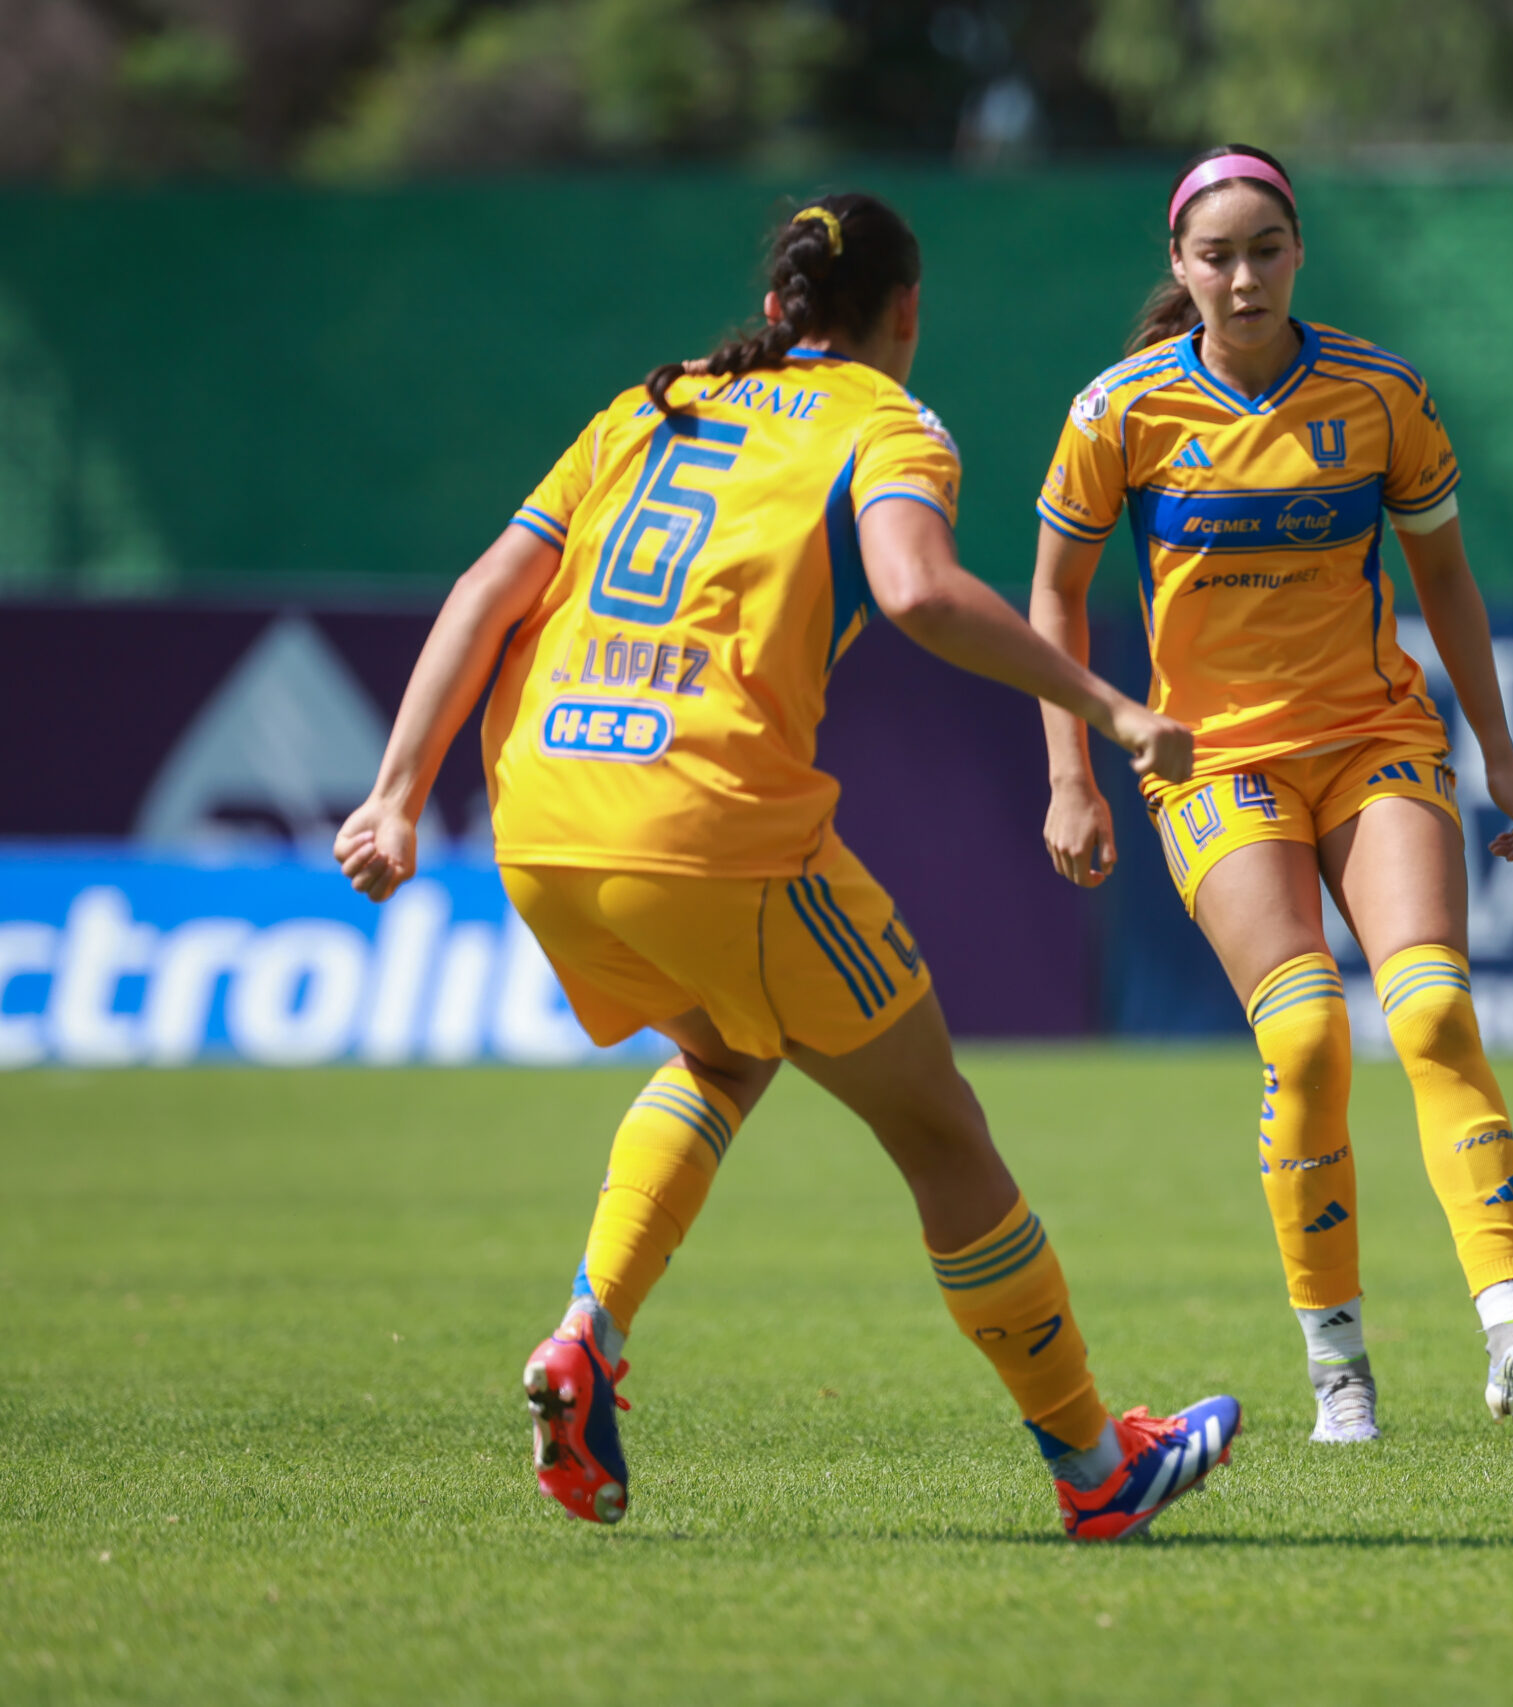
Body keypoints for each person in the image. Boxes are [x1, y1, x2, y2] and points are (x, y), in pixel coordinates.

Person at [332, 193, 1238, 1540]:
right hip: (710, 830)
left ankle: (590, 1333)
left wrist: (398, 792)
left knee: (724, 1052)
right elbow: (920, 590)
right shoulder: (885, 420)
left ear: (774, 309)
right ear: (905, 318)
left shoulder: (646, 406)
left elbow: (485, 591)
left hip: (542, 818)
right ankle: (1096, 1463)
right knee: (939, 1130)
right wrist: (1108, 708)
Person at [1028, 144, 1513, 1442]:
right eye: (1217, 253)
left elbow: (1443, 577)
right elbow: (1052, 592)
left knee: (1435, 1012)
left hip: (1376, 734)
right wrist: (1073, 773)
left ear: (1298, 253)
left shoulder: (1382, 395)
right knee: (1310, 1038)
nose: (1244, 273)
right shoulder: (1120, 412)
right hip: (1216, 764)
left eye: (1267, 247)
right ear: (1180, 265)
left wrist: (1496, 747)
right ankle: (1340, 1364)